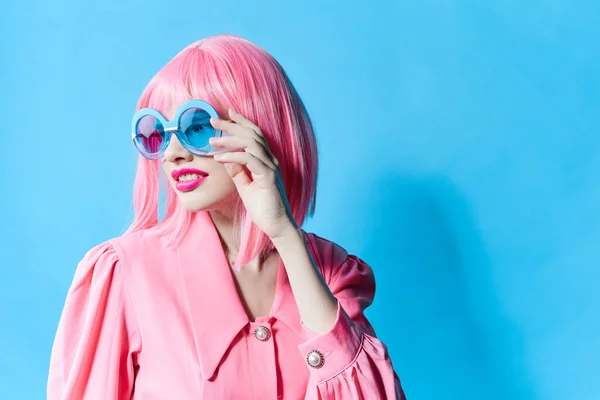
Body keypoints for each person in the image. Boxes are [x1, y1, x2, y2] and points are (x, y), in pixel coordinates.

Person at [47, 34, 406, 399]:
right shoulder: (124, 272)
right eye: (157, 133)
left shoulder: (334, 272)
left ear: (263, 130)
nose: (173, 154)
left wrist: (285, 235)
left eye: (197, 127)